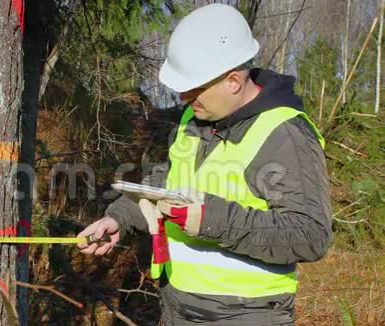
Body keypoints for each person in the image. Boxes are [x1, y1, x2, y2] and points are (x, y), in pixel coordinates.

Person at [77, 3, 333, 325]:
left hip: (247, 314)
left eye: (196, 87)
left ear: (234, 81)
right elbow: (169, 182)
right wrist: (120, 218)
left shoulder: (286, 134)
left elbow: (310, 234)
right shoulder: (194, 117)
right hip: (177, 306)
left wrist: (211, 219)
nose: (185, 97)